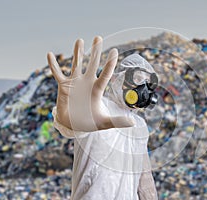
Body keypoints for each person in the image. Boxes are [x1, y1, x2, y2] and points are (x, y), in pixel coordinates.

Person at [47, 36, 158, 200]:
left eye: (148, 84)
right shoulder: (98, 107)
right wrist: (69, 118)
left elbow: (145, 181)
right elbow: (72, 127)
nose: (143, 89)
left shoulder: (139, 125)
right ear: (117, 79)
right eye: (138, 79)